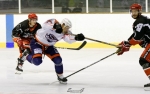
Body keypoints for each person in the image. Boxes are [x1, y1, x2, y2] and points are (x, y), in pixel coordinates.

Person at [21, 18, 85, 83]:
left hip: (49, 46)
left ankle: (60, 76)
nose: (68, 29)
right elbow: (44, 26)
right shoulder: (54, 22)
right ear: (63, 24)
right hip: (37, 42)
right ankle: (26, 55)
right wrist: (55, 26)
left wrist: (77, 38)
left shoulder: (65, 32)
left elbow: (69, 39)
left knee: (58, 60)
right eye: (67, 27)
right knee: (37, 61)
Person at [116, 3, 150, 90]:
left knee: (143, 60)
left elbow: (137, 38)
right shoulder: (143, 20)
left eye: (135, 11)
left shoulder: (139, 22)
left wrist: (126, 44)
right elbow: (137, 35)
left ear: (140, 11)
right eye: (132, 11)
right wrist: (126, 43)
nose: (134, 13)